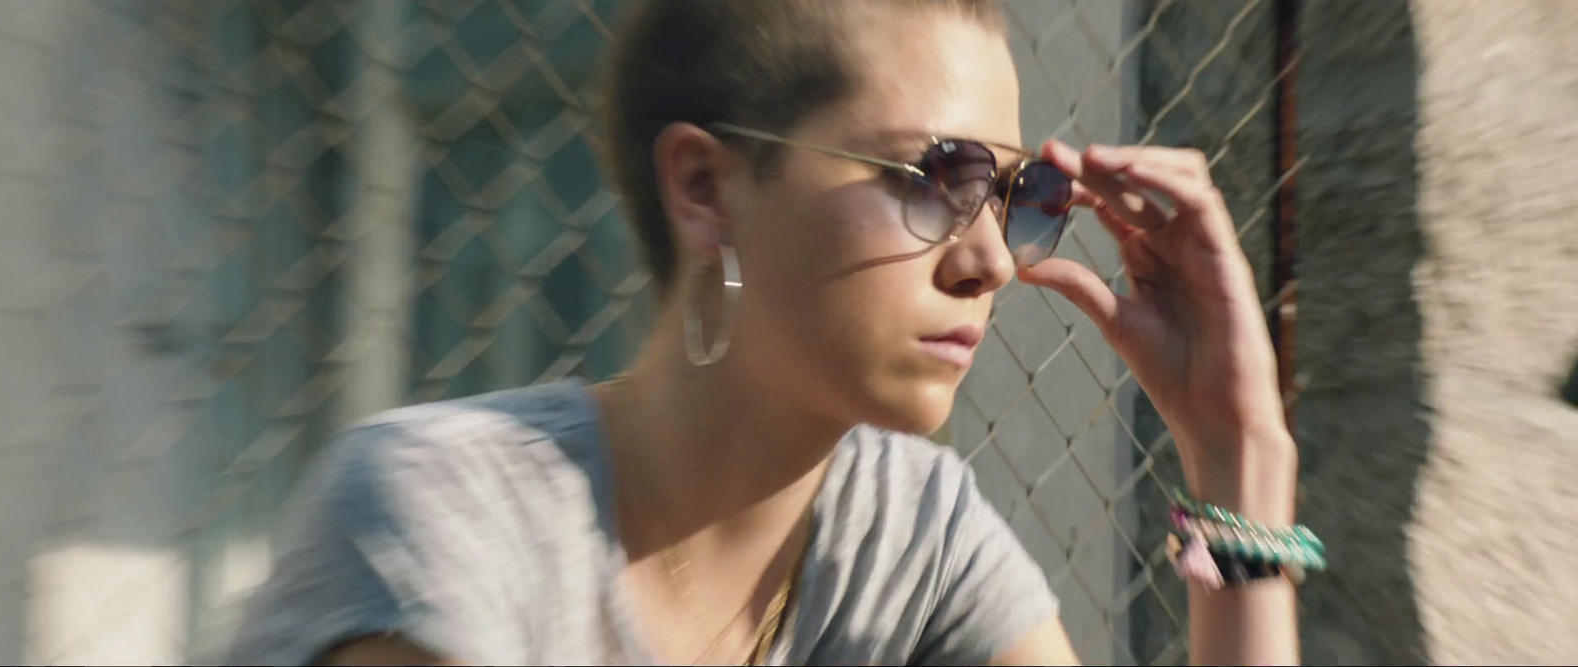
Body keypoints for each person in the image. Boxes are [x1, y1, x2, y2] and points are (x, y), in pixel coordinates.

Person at [226, 1, 1310, 664]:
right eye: (935, 178)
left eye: (1018, 195)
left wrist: (1236, 461)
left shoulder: (913, 537)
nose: (989, 260)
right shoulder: (442, 509)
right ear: (704, 187)